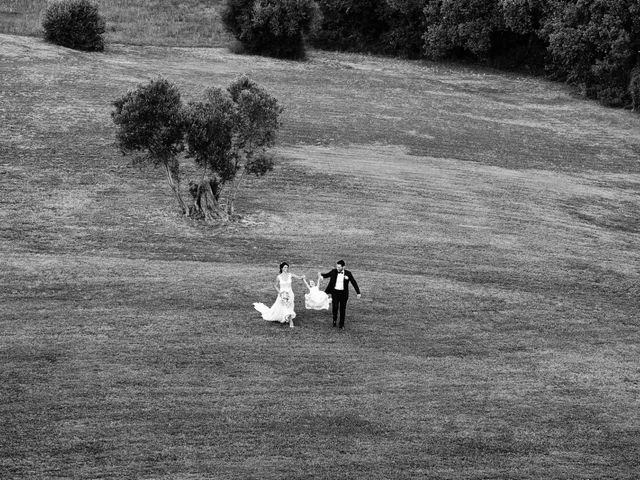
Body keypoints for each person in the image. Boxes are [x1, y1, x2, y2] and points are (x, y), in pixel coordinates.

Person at [254, 262, 305, 328]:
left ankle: (288, 318)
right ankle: (290, 321)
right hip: (282, 294)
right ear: (281, 268)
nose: (286, 268)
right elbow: (275, 285)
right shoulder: (279, 277)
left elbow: (299, 277)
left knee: (289, 306)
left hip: (290, 293)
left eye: (287, 267)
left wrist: (302, 277)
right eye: (284, 267)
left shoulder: (290, 275)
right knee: (284, 306)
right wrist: (280, 292)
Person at [320, 259, 361, 329]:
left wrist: (358, 292)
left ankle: (341, 324)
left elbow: (354, 282)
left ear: (343, 267)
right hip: (335, 292)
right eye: (337, 267)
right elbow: (326, 275)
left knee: (342, 309)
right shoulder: (333, 271)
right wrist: (320, 274)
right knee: (335, 307)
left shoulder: (348, 273)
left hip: (343, 294)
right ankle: (334, 320)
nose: (337, 268)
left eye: (339, 267)